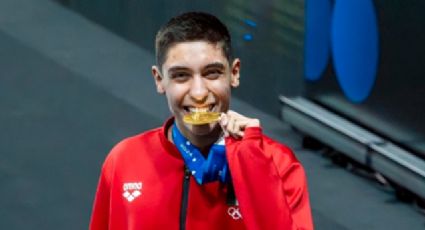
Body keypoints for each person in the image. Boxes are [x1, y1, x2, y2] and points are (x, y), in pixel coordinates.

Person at [89, 11, 313, 230]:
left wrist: (252, 162)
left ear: (234, 73)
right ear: (159, 80)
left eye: (212, 73)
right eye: (181, 75)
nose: (198, 93)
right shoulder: (124, 160)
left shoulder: (279, 164)